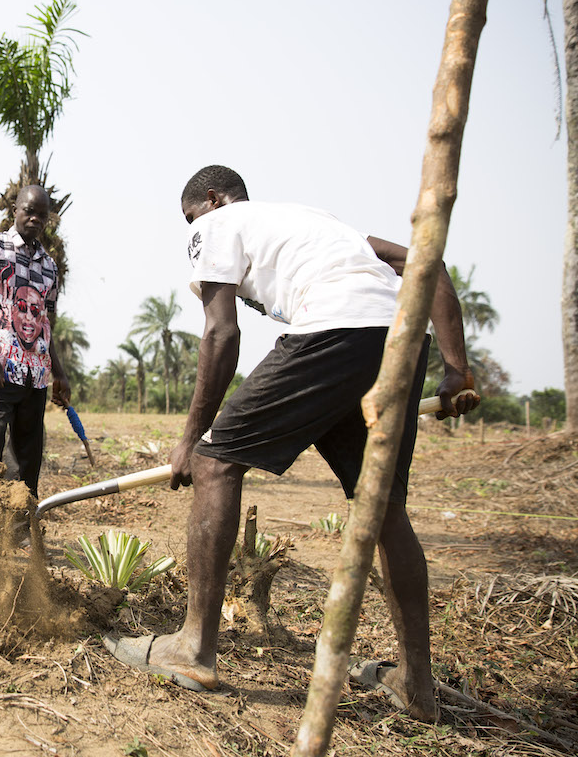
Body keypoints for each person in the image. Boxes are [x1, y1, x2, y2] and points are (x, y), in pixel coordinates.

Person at [103, 165, 479, 722]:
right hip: (399, 340)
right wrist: (455, 369)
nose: (190, 231)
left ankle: (193, 649)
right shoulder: (313, 220)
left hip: (334, 330)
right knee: (382, 507)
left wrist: (190, 439)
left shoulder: (217, 223)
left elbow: (221, 332)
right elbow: (426, 262)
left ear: (211, 200)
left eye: (190, 218)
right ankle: (416, 685)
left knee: (214, 461)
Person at [0, 185, 70, 496]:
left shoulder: (49, 266)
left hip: (34, 377)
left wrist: (59, 373)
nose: (35, 219)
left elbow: (44, 323)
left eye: (42, 215)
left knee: (27, 459)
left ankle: (20, 529)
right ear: (15, 211)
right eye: (29, 211)